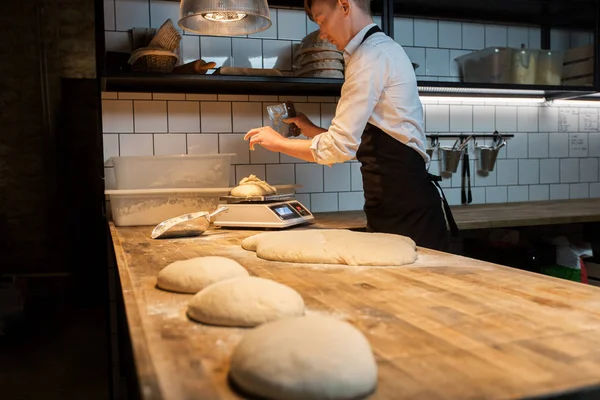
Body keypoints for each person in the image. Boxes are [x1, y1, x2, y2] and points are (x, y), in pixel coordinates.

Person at [244, 0, 458, 251]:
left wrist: (278, 143)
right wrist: (309, 128)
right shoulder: (376, 50)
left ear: (344, 6)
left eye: (322, 20)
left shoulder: (370, 55)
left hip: (407, 211)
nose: (322, 33)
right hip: (395, 203)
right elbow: (361, 144)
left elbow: (338, 149)